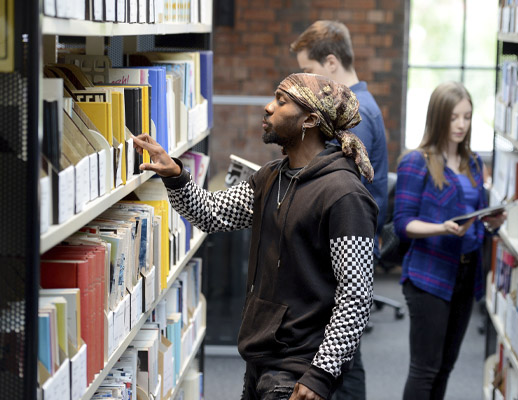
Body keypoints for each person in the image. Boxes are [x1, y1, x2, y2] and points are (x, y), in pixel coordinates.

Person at [132, 73, 378, 400]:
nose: (267, 107)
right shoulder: (270, 177)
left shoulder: (345, 195)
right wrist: (175, 175)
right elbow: (211, 213)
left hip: (301, 367)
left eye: (281, 100)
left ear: (310, 119)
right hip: (261, 358)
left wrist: (321, 373)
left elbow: (356, 295)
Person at [291, 20, 389, 400]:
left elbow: (332, 187)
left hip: (344, 247)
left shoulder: (355, 115)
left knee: (339, 358)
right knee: (343, 354)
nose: (308, 84)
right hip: (345, 243)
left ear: (331, 63)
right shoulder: (356, 106)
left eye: (310, 72)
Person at [392, 81, 505, 399]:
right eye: (454, 117)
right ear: (438, 117)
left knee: (445, 367)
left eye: (467, 117)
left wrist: (491, 224)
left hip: (467, 274)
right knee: (425, 369)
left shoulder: (473, 163)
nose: (461, 124)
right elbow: (402, 224)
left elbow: (475, 215)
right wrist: (441, 228)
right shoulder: (416, 161)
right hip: (428, 276)